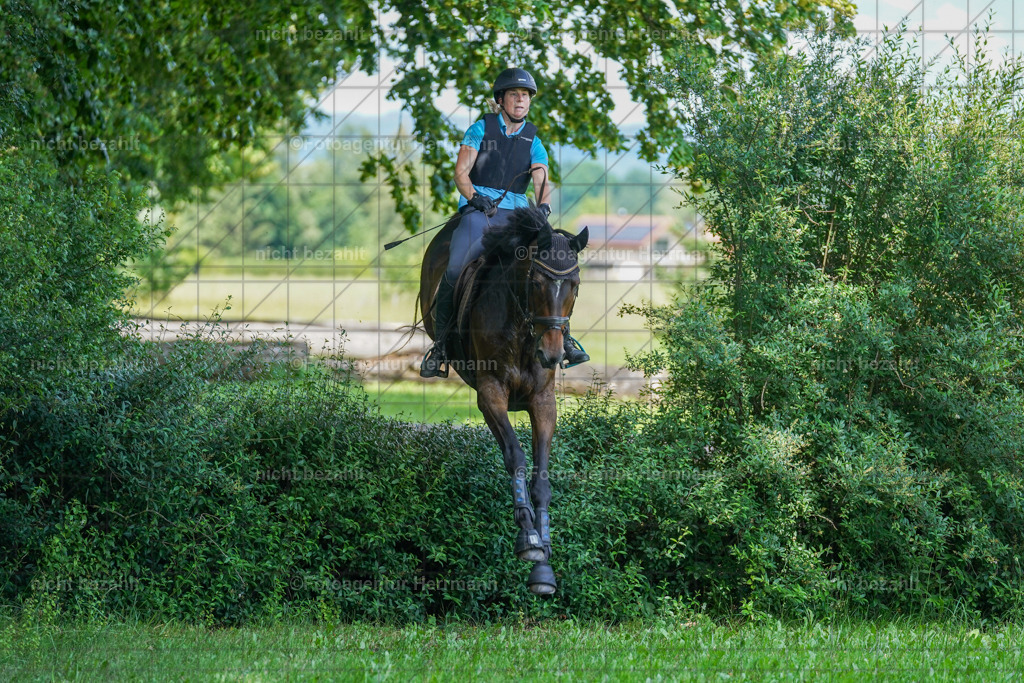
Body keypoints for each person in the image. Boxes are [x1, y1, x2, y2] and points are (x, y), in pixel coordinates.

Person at [420, 67, 589, 378]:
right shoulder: (479, 129)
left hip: (517, 215)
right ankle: (441, 346)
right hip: (479, 212)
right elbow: (460, 173)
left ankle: (564, 338)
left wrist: (544, 207)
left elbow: (540, 177)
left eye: (525, 96)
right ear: (501, 99)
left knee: (549, 267)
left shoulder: (533, 140)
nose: (521, 100)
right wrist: (474, 197)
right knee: (456, 267)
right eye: (515, 95)